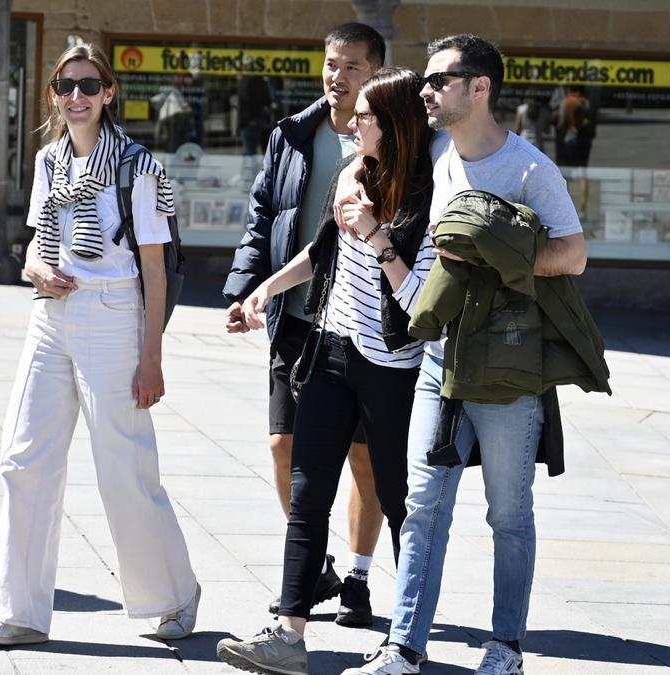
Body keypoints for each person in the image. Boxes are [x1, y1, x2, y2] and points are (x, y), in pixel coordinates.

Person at [343, 34, 592, 675]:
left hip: (509, 368)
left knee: (508, 511)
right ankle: (403, 644)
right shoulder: (441, 155)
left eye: (437, 80)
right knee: (423, 506)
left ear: (479, 87)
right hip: (440, 359)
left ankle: (505, 644)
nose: (425, 91)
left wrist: (496, 255)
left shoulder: (531, 169)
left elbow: (572, 254)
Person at [0, 43, 199, 646]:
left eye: (89, 85)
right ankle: (18, 610)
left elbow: (155, 269)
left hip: (115, 315)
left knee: (123, 468)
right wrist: (35, 271)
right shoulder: (49, 162)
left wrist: (152, 356)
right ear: (53, 94)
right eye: (65, 86)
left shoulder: (137, 166)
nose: (76, 96)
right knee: (23, 460)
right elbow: (35, 247)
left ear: (108, 94)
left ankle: (174, 596)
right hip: (51, 317)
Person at [215, 67, 437, 675]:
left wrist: (378, 234)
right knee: (309, 493)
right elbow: (321, 252)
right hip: (331, 351)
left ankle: (407, 639)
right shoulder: (351, 173)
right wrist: (264, 290)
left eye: (365, 116)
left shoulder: (426, 194)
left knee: (400, 500)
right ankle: (288, 634)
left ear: (391, 124)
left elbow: (421, 302)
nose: (353, 123)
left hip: (394, 368)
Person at [221, 22, 388, 624]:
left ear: (376, 72)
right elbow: (262, 214)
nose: (336, 76)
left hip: (360, 327)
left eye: (351, 67)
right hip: (295, 318)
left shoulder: (390, 142)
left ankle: (359, 576)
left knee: (362, 460)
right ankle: (312, 568)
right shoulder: (292, 133)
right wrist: (245, 291)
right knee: (281, 446)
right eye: (330, 63)